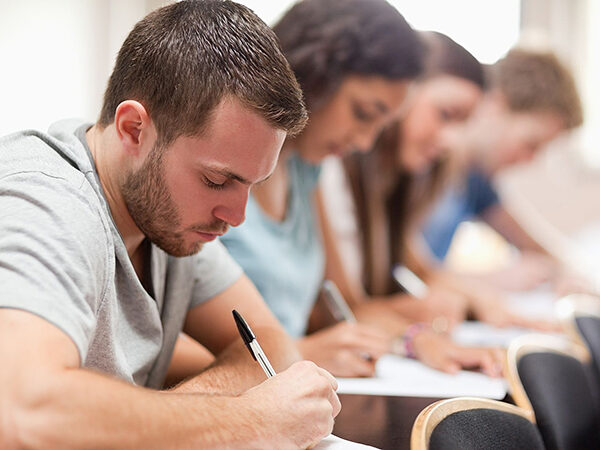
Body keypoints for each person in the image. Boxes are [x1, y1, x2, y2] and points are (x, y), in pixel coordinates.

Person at [0, 1, 341, 448]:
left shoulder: (168, 217)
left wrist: (185, 414)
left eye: (253, 186)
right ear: (133, 129)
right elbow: (22, 410)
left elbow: (270, 346)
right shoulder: (46, 203)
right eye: (218, 180)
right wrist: (249, 421)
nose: (235, 217)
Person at [221, 3, 501, 377]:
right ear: (313, 77)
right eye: (363, 113)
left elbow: (345, 307)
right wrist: (299, 353)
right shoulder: (221, 169)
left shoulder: (307, 167)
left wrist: (415, 339)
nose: (367, 142)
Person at [422, 48, 584, 291]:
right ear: (495, 104)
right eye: (531, 144)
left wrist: (566, 274)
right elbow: (397, 277)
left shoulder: (474, 181)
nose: (529, 160)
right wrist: (491, 281)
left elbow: (538, 247)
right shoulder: (421, 161)